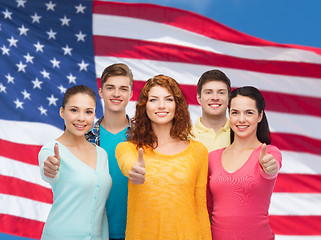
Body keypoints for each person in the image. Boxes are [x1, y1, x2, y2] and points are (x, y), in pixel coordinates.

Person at [44, 63, 134, 240]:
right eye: (110, 88)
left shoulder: (144, 138)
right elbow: (51, 168)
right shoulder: (84, 137)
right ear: (101, 92)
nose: (116, 94)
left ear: (131, 94)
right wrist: (50, 169)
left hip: (136, 231)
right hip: (95, 233)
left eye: (123, 89)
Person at [116, 75, 211, 240]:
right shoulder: (128, 149)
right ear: (144, 107)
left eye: (168, 99)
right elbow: (128, 163)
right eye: (153, 100)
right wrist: (134, 170)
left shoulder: (198, 151)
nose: (161, 106)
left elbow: (200, 209)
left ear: (177, 105)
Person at [207, 86, 282, 240]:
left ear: (260, 115)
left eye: (249, 113)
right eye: (235, 112)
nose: (241, 119)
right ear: (229, 115)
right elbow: (207, 207)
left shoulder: (269, 153)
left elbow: (271, 169)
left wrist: (269, 168)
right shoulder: (212, 158)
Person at [38, 85, 112, 240]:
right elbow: (49, 172)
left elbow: (101, 209)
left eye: (88, 112)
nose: (81, 118)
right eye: (74, 110)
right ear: (62, 112)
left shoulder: (102, 154)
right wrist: (50, 169)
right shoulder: (50, 151)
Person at [191, 69, 231, 152]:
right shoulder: (185, 136)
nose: (215, 98)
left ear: (229, 98)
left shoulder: (240, 134)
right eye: (208, 92)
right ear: (199, 98)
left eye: (221, 93)